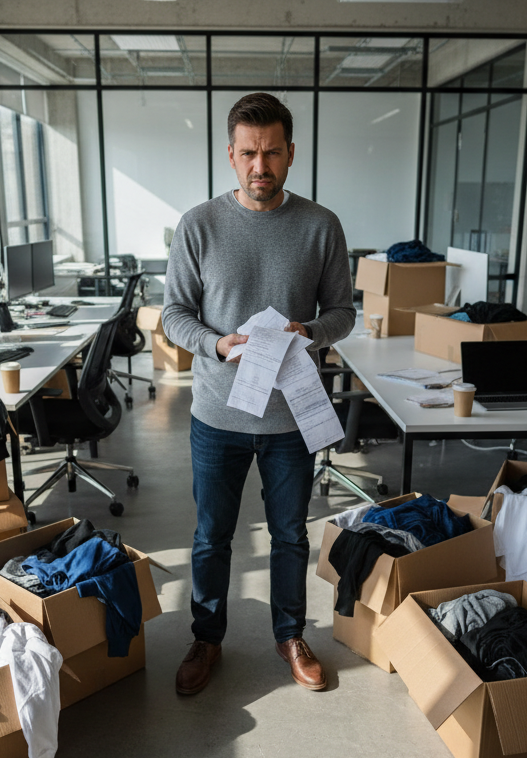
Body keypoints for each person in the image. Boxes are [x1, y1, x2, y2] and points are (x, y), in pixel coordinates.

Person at [161, 93, 355, 695]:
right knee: (212, 535)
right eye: (248, 153)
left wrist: (312, 331)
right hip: (217, 412)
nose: (260, 166)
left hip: (292, 414)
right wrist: (218, 346)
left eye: (272, 152)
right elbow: (173, 315)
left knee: (291, 534)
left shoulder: (321, 226)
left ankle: (291, 635)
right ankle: (206, 637)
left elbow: (344, 312)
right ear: (231, 155)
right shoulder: (199, 225)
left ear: (291, 154)